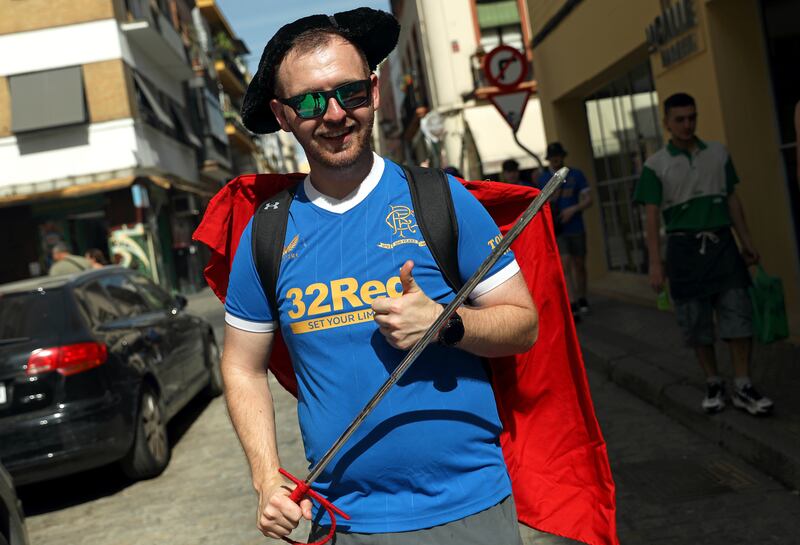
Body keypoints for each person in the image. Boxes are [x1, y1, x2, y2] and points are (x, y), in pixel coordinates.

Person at [222, 8, 538, 544]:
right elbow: (241, 367)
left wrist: (447, 323)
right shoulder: (265, 235)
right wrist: (265, 477)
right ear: (281, 114)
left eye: (350, 93)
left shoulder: (441, 199)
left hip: (472, 509)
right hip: (348, 522)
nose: (334, 114)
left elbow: (524, 325)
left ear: (373, 89)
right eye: (309, 101)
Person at [634, 92, 773, 416]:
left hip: (722, 244)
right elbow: (652, 218)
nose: (687, 124)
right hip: (683, 248)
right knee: (695, 321)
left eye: (691, 118)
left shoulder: (718, 154)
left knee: (738, 313)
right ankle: (713, 381)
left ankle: (743, 384)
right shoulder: (656, 165)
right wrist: (656, 264)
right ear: (667, 123)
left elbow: (732, 200)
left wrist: (746, 241)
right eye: (679, 119)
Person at [537, 142, 593, 318]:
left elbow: (589, 199)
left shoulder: (576, 174)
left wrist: (573, 209)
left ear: (563, 156)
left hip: (576, 226)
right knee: (566, 264)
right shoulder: (543, 178)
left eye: (558, 156)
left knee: (579, 265)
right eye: (552, 157)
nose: (555, 159)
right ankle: (573, 301)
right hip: (558, 229)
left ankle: (582, 297)